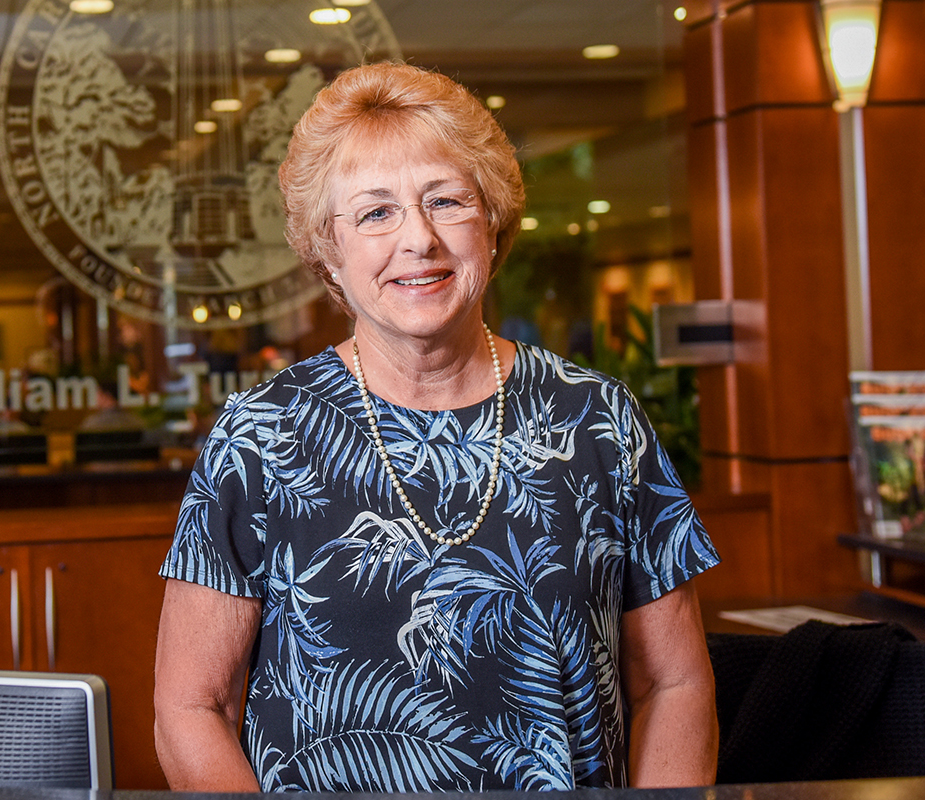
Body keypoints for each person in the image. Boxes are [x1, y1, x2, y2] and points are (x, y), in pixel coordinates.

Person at [152, 62, 721, 793]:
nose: (417, 238)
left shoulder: (599, 422)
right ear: (330, 248)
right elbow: (191, 707)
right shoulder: (262, 437)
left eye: (446, 200)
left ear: (491, 221)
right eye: (375, 212)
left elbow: (674, 685)